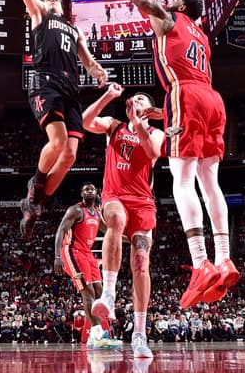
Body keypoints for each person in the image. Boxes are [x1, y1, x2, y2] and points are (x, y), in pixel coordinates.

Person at [74, 0, 237, 307]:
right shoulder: (202, 37)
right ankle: (224, 258)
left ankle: (201, 263)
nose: (168, 0)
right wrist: (162, 116)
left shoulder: (169, 20)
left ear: (180, 7)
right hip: (213, 99)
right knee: (210, 182)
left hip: (186, 92)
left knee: (183, 181)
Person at [0, 0, 107, 239]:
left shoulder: (75, 30)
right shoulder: (40, 14)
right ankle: (35, 187)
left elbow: (88, 61)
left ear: (64, 7)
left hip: (71, 90)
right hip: (46, 82)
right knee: (57, 142)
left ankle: (35, 204)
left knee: (70, 155)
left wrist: (97, 71)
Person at [82, 83, 165, 359]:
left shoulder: (156, 132)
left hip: (143, 200)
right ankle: (108, 293)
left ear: (150, 109)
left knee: (141, 260)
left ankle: (139, 333)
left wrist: (138, 123)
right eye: (134, 98)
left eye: (142, 99)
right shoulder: (114, 126)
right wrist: (108, 96)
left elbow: (153, 152)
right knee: (115, 219)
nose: (136, 100)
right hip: (114, 195)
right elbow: (85, 122)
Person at [53, 182, 118, 349]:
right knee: (88, 292)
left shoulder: (96, 213)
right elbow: (61, 230)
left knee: (99, 291)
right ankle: (96, 335)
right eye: (86, 189)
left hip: (87, 254)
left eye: (92, 189)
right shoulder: (75, 210)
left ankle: (97, 334)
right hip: (72, 251)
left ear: (97, 193)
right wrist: (57, 256)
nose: (90, 191)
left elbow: (110, 231)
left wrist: (131, 239)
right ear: (82, 194)